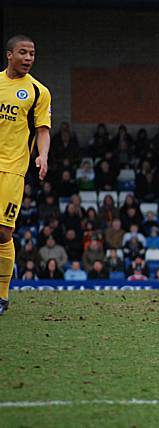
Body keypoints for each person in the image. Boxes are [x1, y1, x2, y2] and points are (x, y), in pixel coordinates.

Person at [0, 35, 51, 314]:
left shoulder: (38, 91)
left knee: (3, 232)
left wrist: (42, 155)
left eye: (32, 53)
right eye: (23, 52)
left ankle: (2, 295)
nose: (29, 58)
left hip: (13, 168)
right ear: (10, 55)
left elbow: (43, 130)